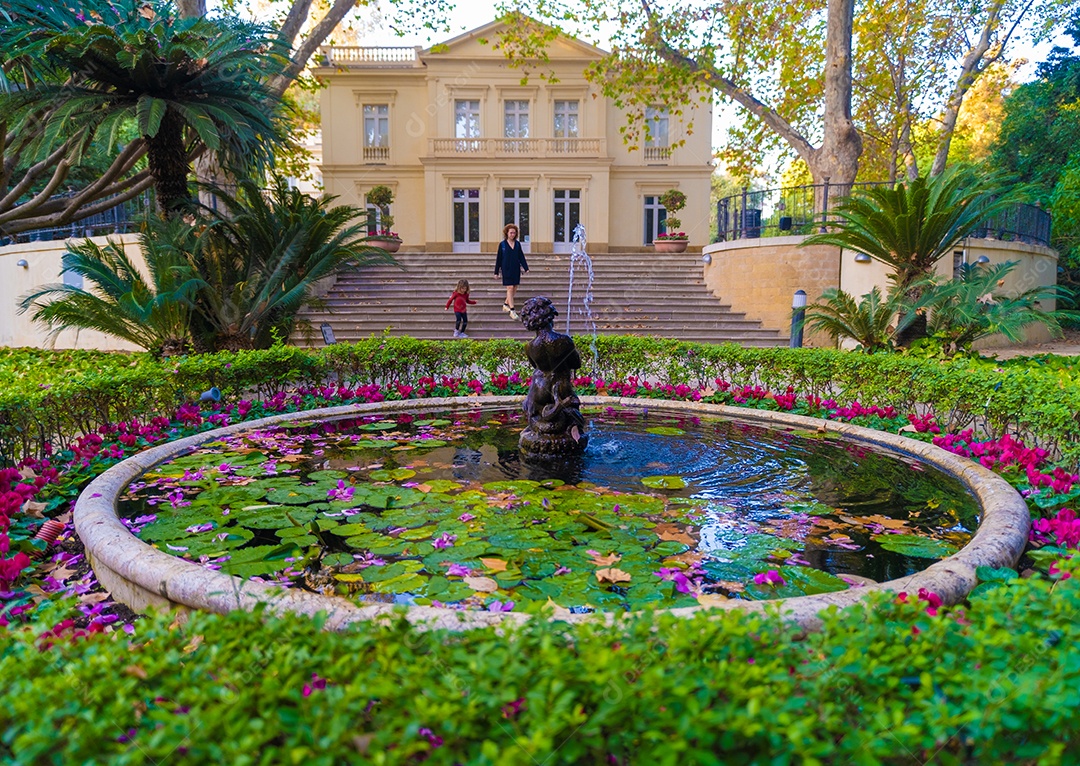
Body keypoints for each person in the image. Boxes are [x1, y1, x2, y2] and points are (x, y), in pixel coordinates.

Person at [494, 223, 529, 319]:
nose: (512, 234)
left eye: (514, 233)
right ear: (507, 233)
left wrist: (526, 268)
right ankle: (512, 310)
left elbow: (521, 256)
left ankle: (505, 304)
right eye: (511, 233)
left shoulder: (517, 244)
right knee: (509, 288)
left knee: (514, 288)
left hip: (515, 269)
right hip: (506, 269)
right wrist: (496, 272)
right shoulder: (502, 245)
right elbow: (499, 258)